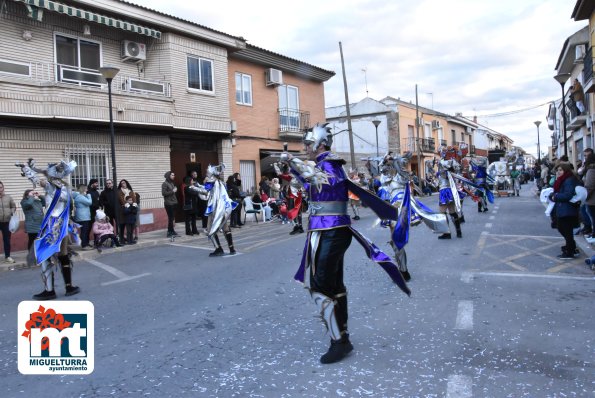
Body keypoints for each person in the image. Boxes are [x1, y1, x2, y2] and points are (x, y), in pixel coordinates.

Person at [281, 123, 410, 364]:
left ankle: (338, 341)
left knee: (320, 285)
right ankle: (343, 336)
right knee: (334, 285)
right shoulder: (323, 165)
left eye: (308, 144)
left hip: (333, 230)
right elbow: (313, 186)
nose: (305, 148)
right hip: (325, 230)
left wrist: (293, 161)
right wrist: (294, 169)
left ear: (320, 144)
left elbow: (320, 178)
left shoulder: (330, 163)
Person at [15, 158, 80, 300]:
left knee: (44, 255)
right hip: (62, 226)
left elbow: (37, 180)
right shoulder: (64, 188)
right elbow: (38, 179)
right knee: (63, 255)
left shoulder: (54, 187)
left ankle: (50, 291)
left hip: (53, 226)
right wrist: (28, 169)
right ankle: (69, 287)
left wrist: (26, 169)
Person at [194, 164, 237, 256]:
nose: (206, 173)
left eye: (207, 172)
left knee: (210, 230)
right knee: (225, 228)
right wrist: (199, 185)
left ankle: (219, 249)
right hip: (223, 208)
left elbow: (206, 191)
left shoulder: (211, 181)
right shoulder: (220, 182)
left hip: (215, 209)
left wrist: (194, 188)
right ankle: (232, 249)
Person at [549, 162, 581, 259]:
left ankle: (569, 251)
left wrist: (556, 196)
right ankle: (571, 247)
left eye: (561, 170)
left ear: (566, 170)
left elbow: (568, 195)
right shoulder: (562, 180)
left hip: (567, 209)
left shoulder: (569, 180)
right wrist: (553, 196)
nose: (558, 172)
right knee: (562, 228)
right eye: (557, 170)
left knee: (566, 230)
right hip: (562, 208)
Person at [436, 145, 466, 239]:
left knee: (442, 212)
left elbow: (446, 174)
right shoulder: (452, 161)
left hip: (445, 189)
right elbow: (458, 170)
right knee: (452, 211)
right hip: (451, 189)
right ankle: (458, 232)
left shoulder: (442, 162)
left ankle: (447, 233)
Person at [72, 183, 93, 250]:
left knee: (85, 230)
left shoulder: (79, 196)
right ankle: (84, 245)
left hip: (83, 216)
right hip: (83, 216)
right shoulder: (80, 197)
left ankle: (85, 244)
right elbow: (89, 202)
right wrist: (89, 195)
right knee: (84, 231)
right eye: (86, 188)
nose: (87, 190)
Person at [0, 181, 17, 263]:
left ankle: (7, 256)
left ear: (3, 188)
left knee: (7, 240)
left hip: (6, 222)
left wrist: (11, 212)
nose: (0, 189)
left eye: (1, 187)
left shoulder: (8, 197)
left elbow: (13, 206)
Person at [116, 179, 137, 243]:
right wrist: (126, 204)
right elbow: (121, 199)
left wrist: (134, 204)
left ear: (127, 183)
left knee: (131, 228)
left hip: (131, 210)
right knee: (122, 225)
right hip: (123, 210)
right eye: (122, 183)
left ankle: (131, 239)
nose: (123, 184)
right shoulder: (119, 191)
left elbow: (134, 199)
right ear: (120, 185)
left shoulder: (130, 191)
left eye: (124, 183)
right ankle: (122, 239)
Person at [161, 172, 180, 238]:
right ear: (168, 176)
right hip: (169, 203)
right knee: (170, 218)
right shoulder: (164, 184)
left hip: (174, 202)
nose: (174, 176)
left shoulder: (171, 183)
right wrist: (173, 191)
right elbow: (164, 193)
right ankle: (169, 232)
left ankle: (172, 231)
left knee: (172, 218)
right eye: (172, 175)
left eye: (174, 175)